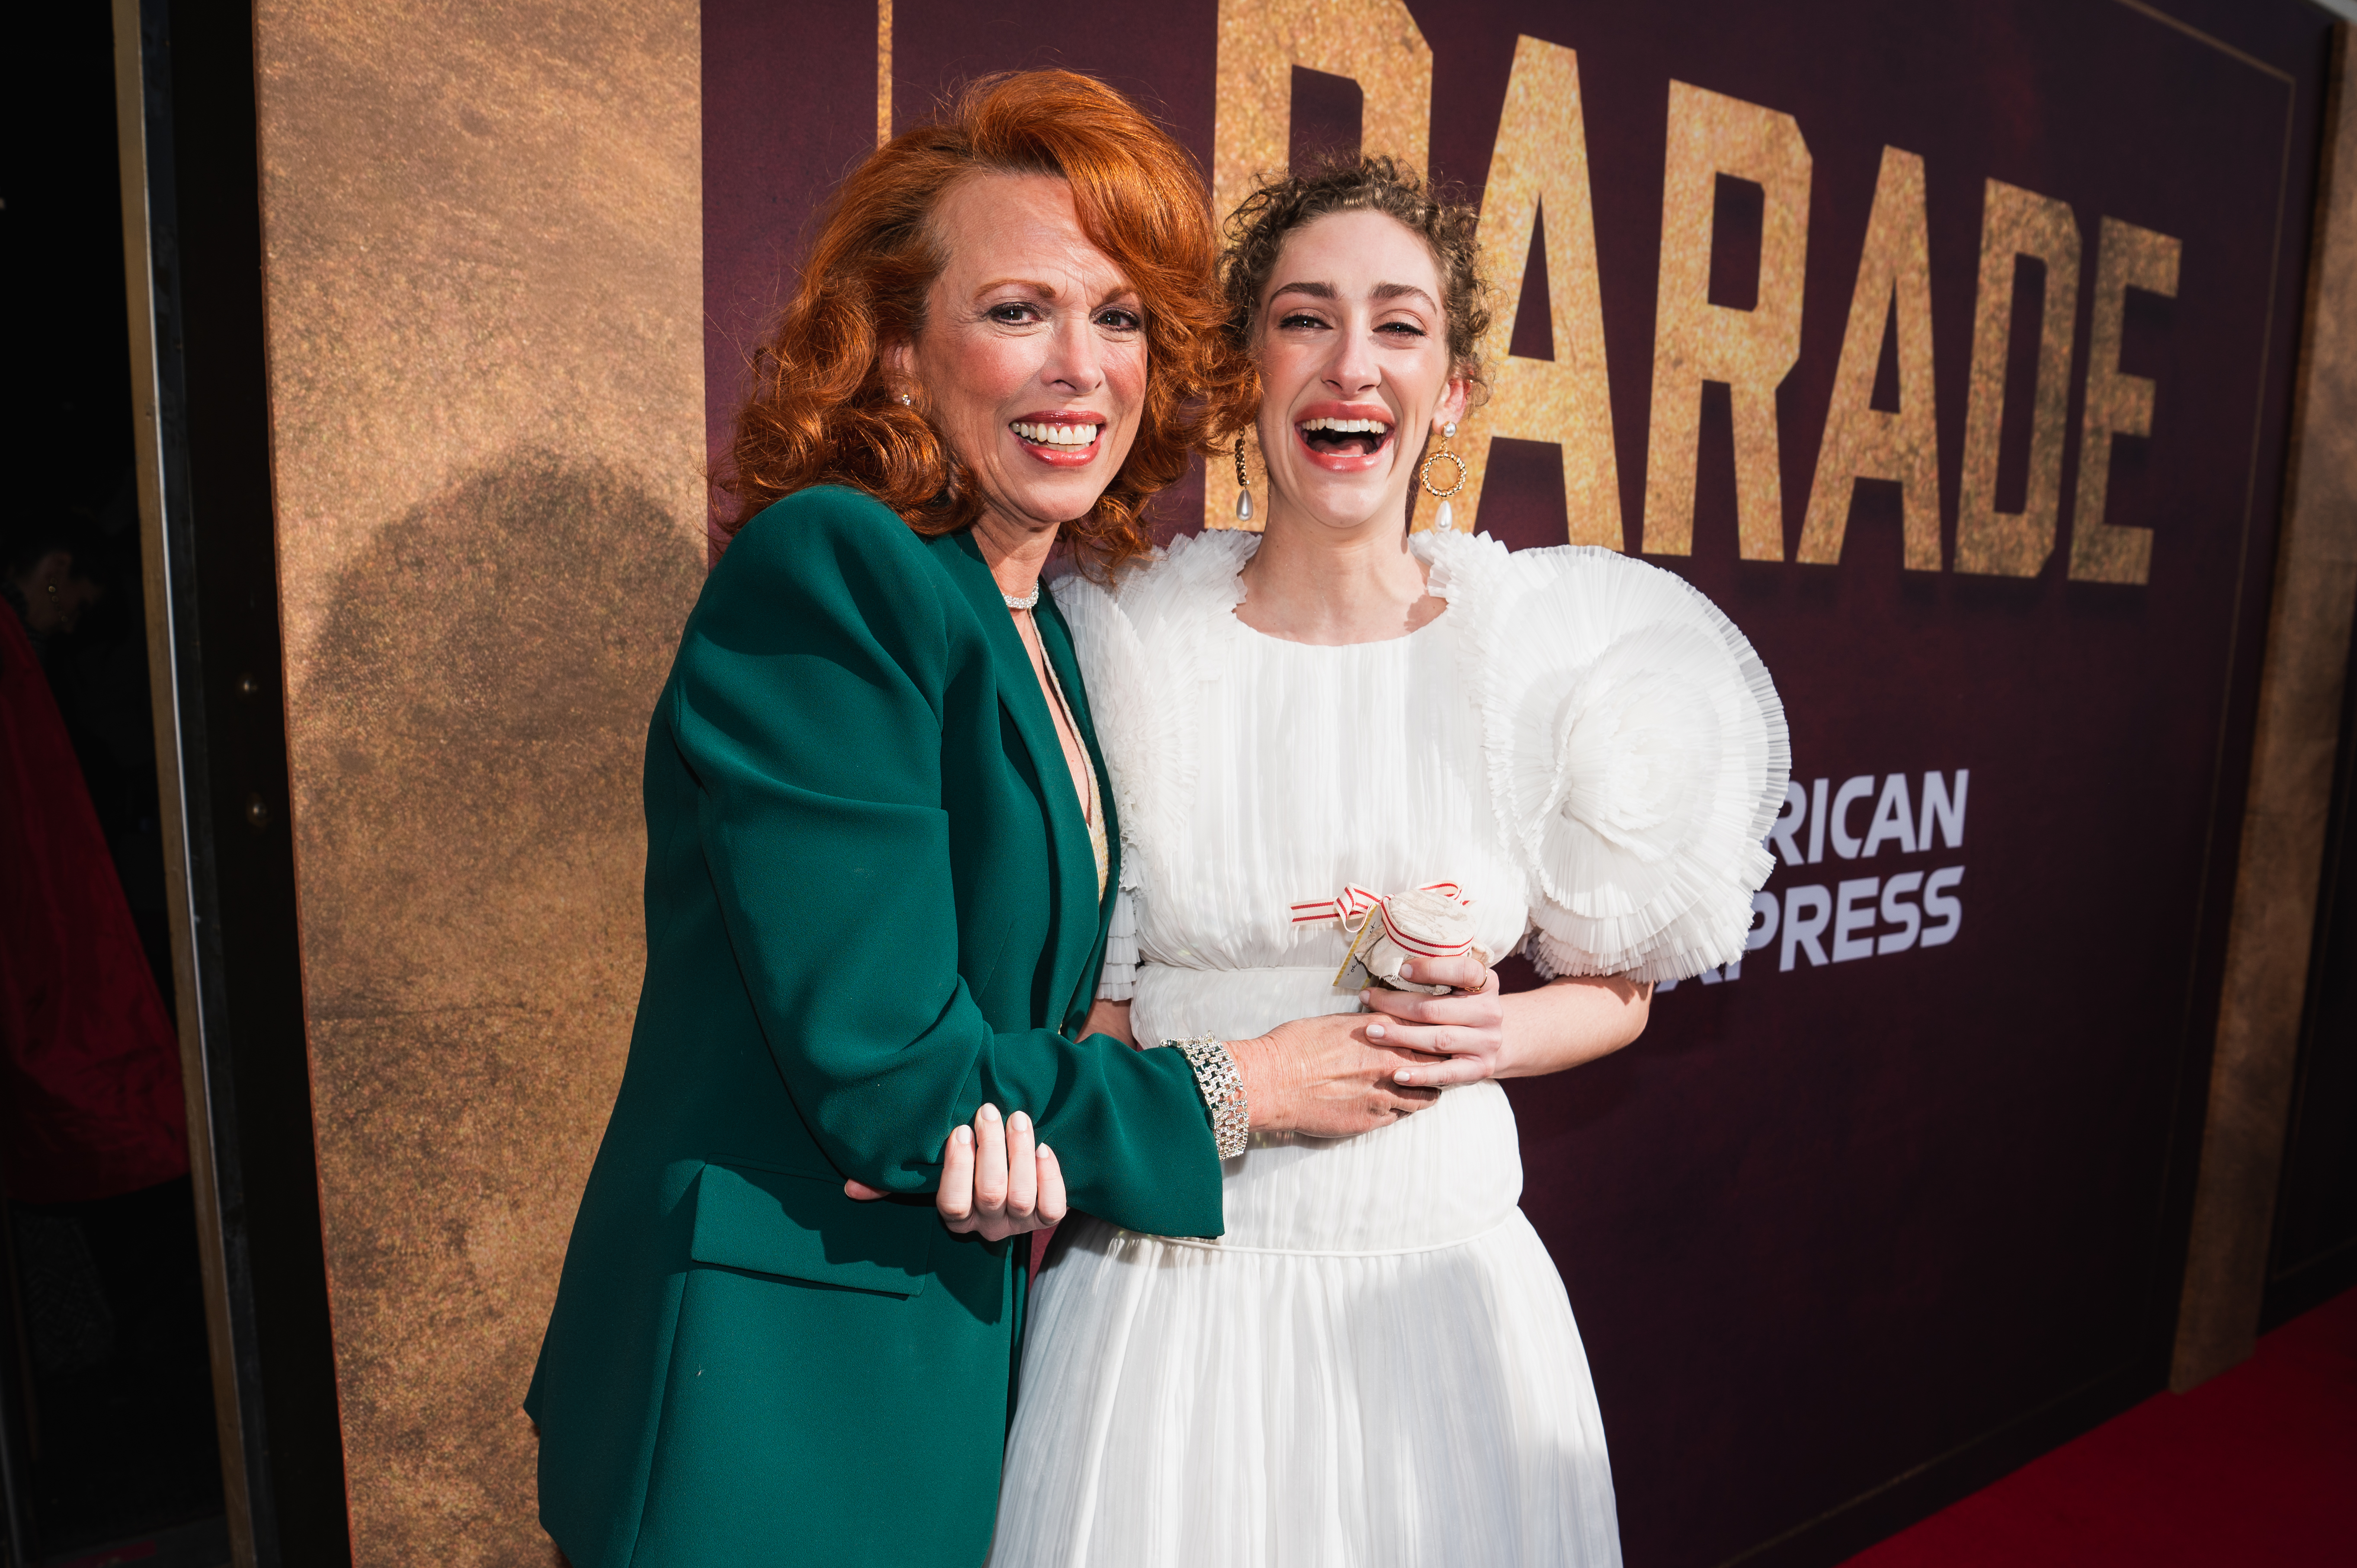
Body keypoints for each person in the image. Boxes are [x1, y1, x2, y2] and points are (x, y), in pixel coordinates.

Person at [525, 78, 1438, 1568]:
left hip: (939, 1354)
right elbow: (897, 1079)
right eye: (1018, 309)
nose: (1081, 366)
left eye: (1122, 317)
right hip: (774, 1390)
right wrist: (1250, 1085)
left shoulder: (1049, 623)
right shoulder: (837, 568)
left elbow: (1014, 1040)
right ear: (894, 344)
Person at [985, 158, 1790, 1566]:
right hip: (1175, 1302)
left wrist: (1493, 1030)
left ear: (1455, 388)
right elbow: (1088, 1016)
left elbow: (1619, 991)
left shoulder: (1537, 645)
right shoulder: (1122, 643)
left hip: (1442, 1305)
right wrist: (1237, 1086)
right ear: (1244, 369)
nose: (1349, 360)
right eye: (1303, 317)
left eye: (1399, 324)